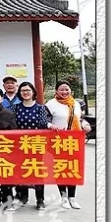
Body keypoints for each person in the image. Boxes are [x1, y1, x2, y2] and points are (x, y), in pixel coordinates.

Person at [45, 80, 91, 210]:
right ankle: (64, 197)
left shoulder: (75, 103)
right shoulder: (50, 104)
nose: (64, 92)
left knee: (72, 168)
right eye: (61, 89)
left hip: (74, 142)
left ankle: (72, 197)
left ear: (70, 90)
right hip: (58, 142)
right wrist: (50, 125)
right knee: (61, 169)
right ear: (56, 91)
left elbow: (80, 119)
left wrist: (85, 125)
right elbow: (45, 120)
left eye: (67, 89)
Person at [12, 81, 49, 210]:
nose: (25, 93)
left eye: (28, 90)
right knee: (22, 170)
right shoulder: (16, 108)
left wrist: (50, 125)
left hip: (36, 144)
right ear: (19, 93)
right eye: (23, 91)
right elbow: (12, 125)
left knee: (37, 170)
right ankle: (23, 196)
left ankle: (40, 199)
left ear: (33, 92)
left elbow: (43, 123)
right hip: (20, 145)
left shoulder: (40, 108)